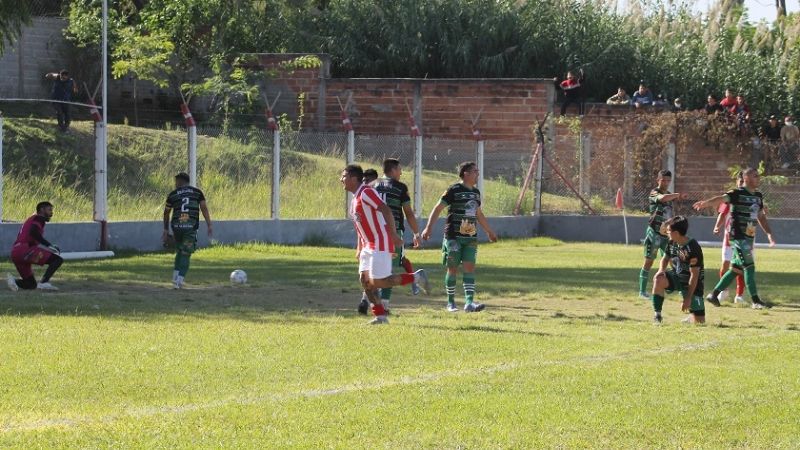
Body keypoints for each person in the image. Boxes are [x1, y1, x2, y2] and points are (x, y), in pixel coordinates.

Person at [341, 164, 429, 325]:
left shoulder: (366, 192)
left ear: (354, 178)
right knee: (365, 280)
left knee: (380, 281)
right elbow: (360, 226)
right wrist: (360, 248)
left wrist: (393, 234)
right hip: (367, 245)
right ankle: (380, 317)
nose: (341, 180)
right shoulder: (355, 199)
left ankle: (416, 277)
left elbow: (386, 210)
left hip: (379, 241)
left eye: (344, 176)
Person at [693, 167, 776, 309]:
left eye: (758, 176)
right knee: (749, 267)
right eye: (755, 176)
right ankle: (756, 301)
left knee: (736, 269)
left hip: (748, 237)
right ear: (746, 178)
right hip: (737, 237)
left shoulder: (758, 196)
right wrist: (706, 203)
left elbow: (761, 217)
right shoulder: (736, 193)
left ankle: (713, 295)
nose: (758, 178)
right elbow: (721, 199)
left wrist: (769, 233)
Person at [421, 161, 498, 312]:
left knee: (469, 268)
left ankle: (469, 303)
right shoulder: (453, 190)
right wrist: (428, 228)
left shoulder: (476, 193)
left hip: (470, 238)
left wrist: (489, 231)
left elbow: (478, 213)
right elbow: (438, 208)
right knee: (453, 269)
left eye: (477, 171)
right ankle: (451, 303)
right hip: (453, 237)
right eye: (475, 171)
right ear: (465, 174)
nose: (477, 174)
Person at [638, 170, 689, 298]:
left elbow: (670, 213)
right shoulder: (654, 193)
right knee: (649, 261)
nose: (666, 183)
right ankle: (642, 292)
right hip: (654, 233)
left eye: (668, 181)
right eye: (663, 180)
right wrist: (677, 195)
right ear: (658, 180)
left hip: (667, 235)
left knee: (674, 260)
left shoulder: (670, 195)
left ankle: (679, 289)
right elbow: (662, 198)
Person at [651, 216, 706, 324]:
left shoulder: (693, 248)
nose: (667, 232)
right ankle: (657, 316)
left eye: (669, 231)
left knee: (700, 322)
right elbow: (665, 258)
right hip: (677, 277)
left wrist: (688, 298)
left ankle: (692, 316)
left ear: (676, 233)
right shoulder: (672, 242)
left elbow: (694, 276)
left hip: (693, 285)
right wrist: (661, 270)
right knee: (658, 279)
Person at [162, 172, 213, 289]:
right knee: (186, 253)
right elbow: (204, 208)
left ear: (180, 181)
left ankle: (175, 278)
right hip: (190, 227)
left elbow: (166, 212)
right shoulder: (197, 192)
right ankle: (179, 282)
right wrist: (209, 224)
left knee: (180, 250)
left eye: (176, 182)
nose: (175, 184)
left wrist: (165, 229)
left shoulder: (173, 194)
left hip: (177, 227)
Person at [6, 202, 64, 291]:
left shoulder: (32, 218)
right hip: (25, 250)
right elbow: (33, 232)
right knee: (57, 260)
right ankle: (44, 283)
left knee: (31, 284)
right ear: (41, 209)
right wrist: (49, 245)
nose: (51, 213)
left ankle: (14, 281)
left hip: (16, 252)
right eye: (49, 210)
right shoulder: (39, 218)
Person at [712, 171, 746, 304]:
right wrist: (717, 226)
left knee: (741, 266)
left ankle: (739, 295)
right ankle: (723, 291)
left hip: (743, 238)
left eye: (745, 181)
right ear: (737, 182)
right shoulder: (731, 196)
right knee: (725, 264)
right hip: (729, 237)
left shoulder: (750, 197)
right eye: (741, 181)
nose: (743, 183)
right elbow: (722, 213)